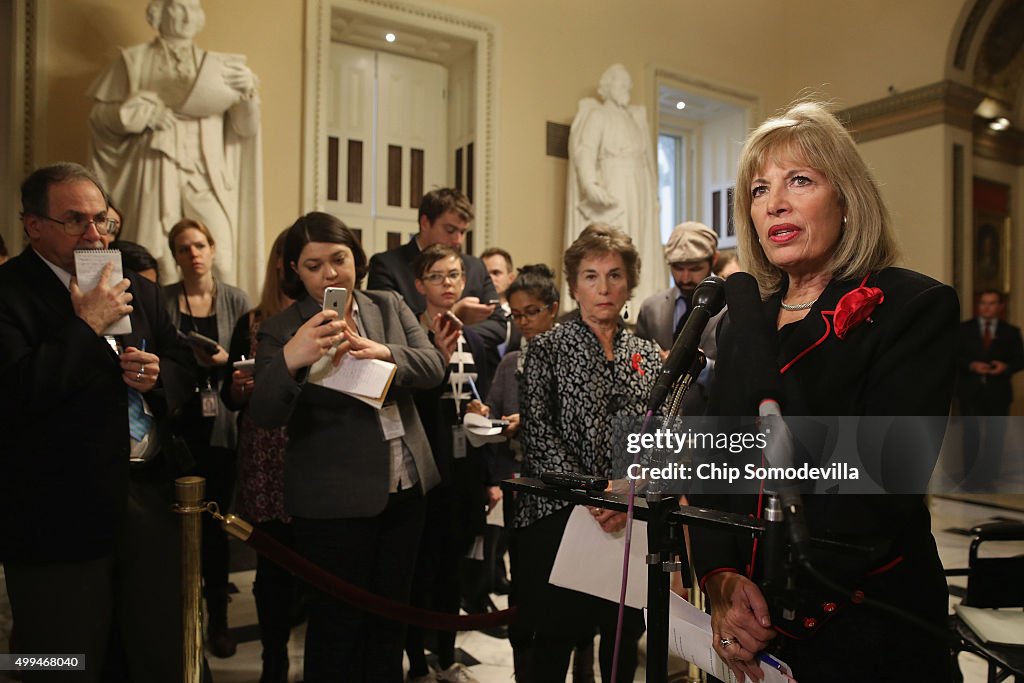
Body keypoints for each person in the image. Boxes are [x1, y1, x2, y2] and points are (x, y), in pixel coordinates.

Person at [689, 100, 959, 682]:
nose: (775, 202)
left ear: (847, 196)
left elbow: (883, 476)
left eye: (800, 180)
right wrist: (720, 579)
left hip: (868, 625)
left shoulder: (913, 307)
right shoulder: (741, 322)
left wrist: (778, 608)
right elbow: (712, 464)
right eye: (759, 190)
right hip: (747, 622)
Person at [0, 162, 194, 683]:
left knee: (153, 652)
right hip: (55, 516)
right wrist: (85, 325)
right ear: (33, 225)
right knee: (58, 659)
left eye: (102, 221)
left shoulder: (134, 285)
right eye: (74, 221)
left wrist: (159, 379)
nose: (95, 234)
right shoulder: (9, 292)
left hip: (148, 502)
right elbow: (15, 394)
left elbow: (183, 368)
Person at [249, 212, 443, 683]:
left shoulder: (388, 304)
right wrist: (293, 358)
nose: (330, 274)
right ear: (295, 270)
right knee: (337, 625)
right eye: (314, 265)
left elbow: (434, 366)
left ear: (356, 258)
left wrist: (385, 353)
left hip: (406, 484)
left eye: (339, 259)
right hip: (333, 499)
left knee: (391, 617)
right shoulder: (282, 327)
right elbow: (264, 414)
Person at [514, 224, 661, 682]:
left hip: (630, 513)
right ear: (573, 285)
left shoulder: (649, 355)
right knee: (553, 640)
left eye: (615, 275)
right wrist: (598, 494)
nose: (604, 287)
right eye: (591, 276)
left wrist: (631, 488)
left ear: (630, 283)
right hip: (557, 513)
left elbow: (658, 435)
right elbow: (538, 434)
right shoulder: (546, 348)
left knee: (621, 638)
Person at [88, 0, 264, 292]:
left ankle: (226, 327)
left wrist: (247, 94)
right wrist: (139, 113)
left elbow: (244, 128)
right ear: (158, 12)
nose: (186, 16)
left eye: (193, 8)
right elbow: (101, 120)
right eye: (178, 7)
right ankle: (160, 327)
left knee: (223, 259)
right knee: (158, 261)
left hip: (205, 176)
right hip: (155, 172)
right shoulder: (133, 61)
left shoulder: (219, 67)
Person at [405, 244, 493, 683]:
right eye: (437, 276)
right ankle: (417, 662)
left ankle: (444, 655)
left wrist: (481, 414)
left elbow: (482, 395)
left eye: (454, 275)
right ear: (420, 285)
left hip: (464, 467)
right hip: (422, 467)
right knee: (418, 570)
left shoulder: (472, 337)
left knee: (453, 567)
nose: (447, 284)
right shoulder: (412, 335)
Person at [164, 217, 251, 657]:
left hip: (221, 427)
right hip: (177, 429)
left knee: (216, 530)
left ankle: (218, 621)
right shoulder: (162, 300)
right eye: (183, 248)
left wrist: (220, 362)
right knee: (175, 531)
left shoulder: (235, 299)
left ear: (213, 248)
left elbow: (245, 364)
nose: (193, 254)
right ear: (175, 256)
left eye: (199, 245)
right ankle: (177, 620)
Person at [220, 228, 296, 683]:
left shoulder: (325, 318)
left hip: (314, 451)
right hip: (265, 453)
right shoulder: (251, 321)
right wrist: (237, 388)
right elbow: (229, 396)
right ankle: (274, 660)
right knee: (272, 566)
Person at [367, 188, 505, 355]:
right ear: (425, 223)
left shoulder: (475, 267)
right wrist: (452, 316)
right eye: (450, 230)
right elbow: (390, 329)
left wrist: (456, 331)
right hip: (420, 373)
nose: (458, 240)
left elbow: (499, 327)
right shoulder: (387, 266)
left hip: (474, 373)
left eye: (462, 232)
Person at [565, 64, 660, 306]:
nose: (626, 88)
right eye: (621, 83)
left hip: (637, 186)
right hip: (614, 181)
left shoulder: (633, 119)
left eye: (628, 84)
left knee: (637, 238)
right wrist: (589, 183)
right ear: (607, 88)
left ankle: (636, 299)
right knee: (614, 239)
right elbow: (585, 150)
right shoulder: (598, 115)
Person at [956, 289, 1024, 491]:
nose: (987, 307)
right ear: (978, 306)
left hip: (998, 391)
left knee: (995, 436)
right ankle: (970, 479)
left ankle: (988, 478)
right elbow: (953, 357)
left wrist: (1006, 367)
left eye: (992, 303)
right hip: (971, 391)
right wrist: (971, 365)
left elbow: (1020, 360)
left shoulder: (1011, 331)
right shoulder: (963, 330)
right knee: (971, 435)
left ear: (1000, 307)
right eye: (983, 303)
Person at [635, 221, 719, 352]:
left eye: (695, 269)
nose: (685, 278)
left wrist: (703, 366)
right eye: (678, 268)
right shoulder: (651, 309)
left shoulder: (733, 306)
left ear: (714, 260)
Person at [481, 246, 520, 356]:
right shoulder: (472, 316)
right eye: (485, 274)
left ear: (511, 278)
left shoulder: (521, 315)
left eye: (496, 273)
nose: (490, 278)